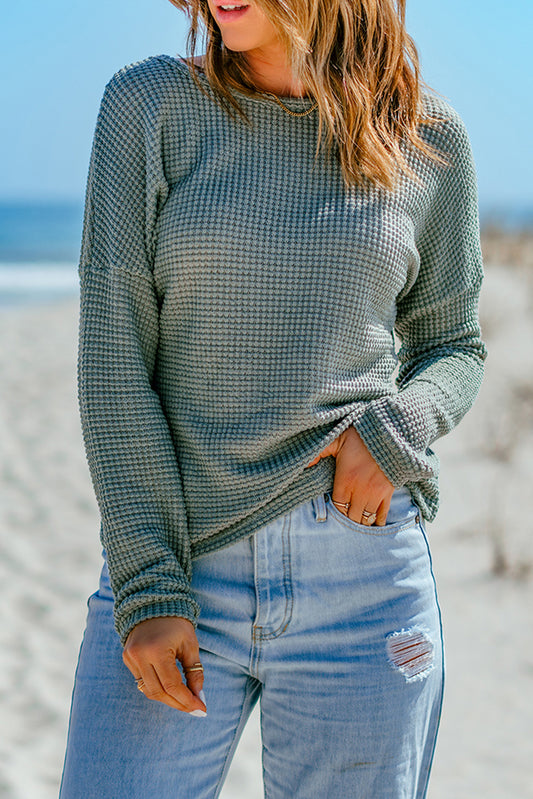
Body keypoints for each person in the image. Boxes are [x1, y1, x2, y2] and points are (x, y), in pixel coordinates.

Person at [59, 1, 487, 796]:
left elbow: (453, 344)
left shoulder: (427, 138)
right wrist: (149, 580)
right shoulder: (149, 105)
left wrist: (396, 428)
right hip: (181, 564)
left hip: (363, 580)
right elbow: (114, 356)